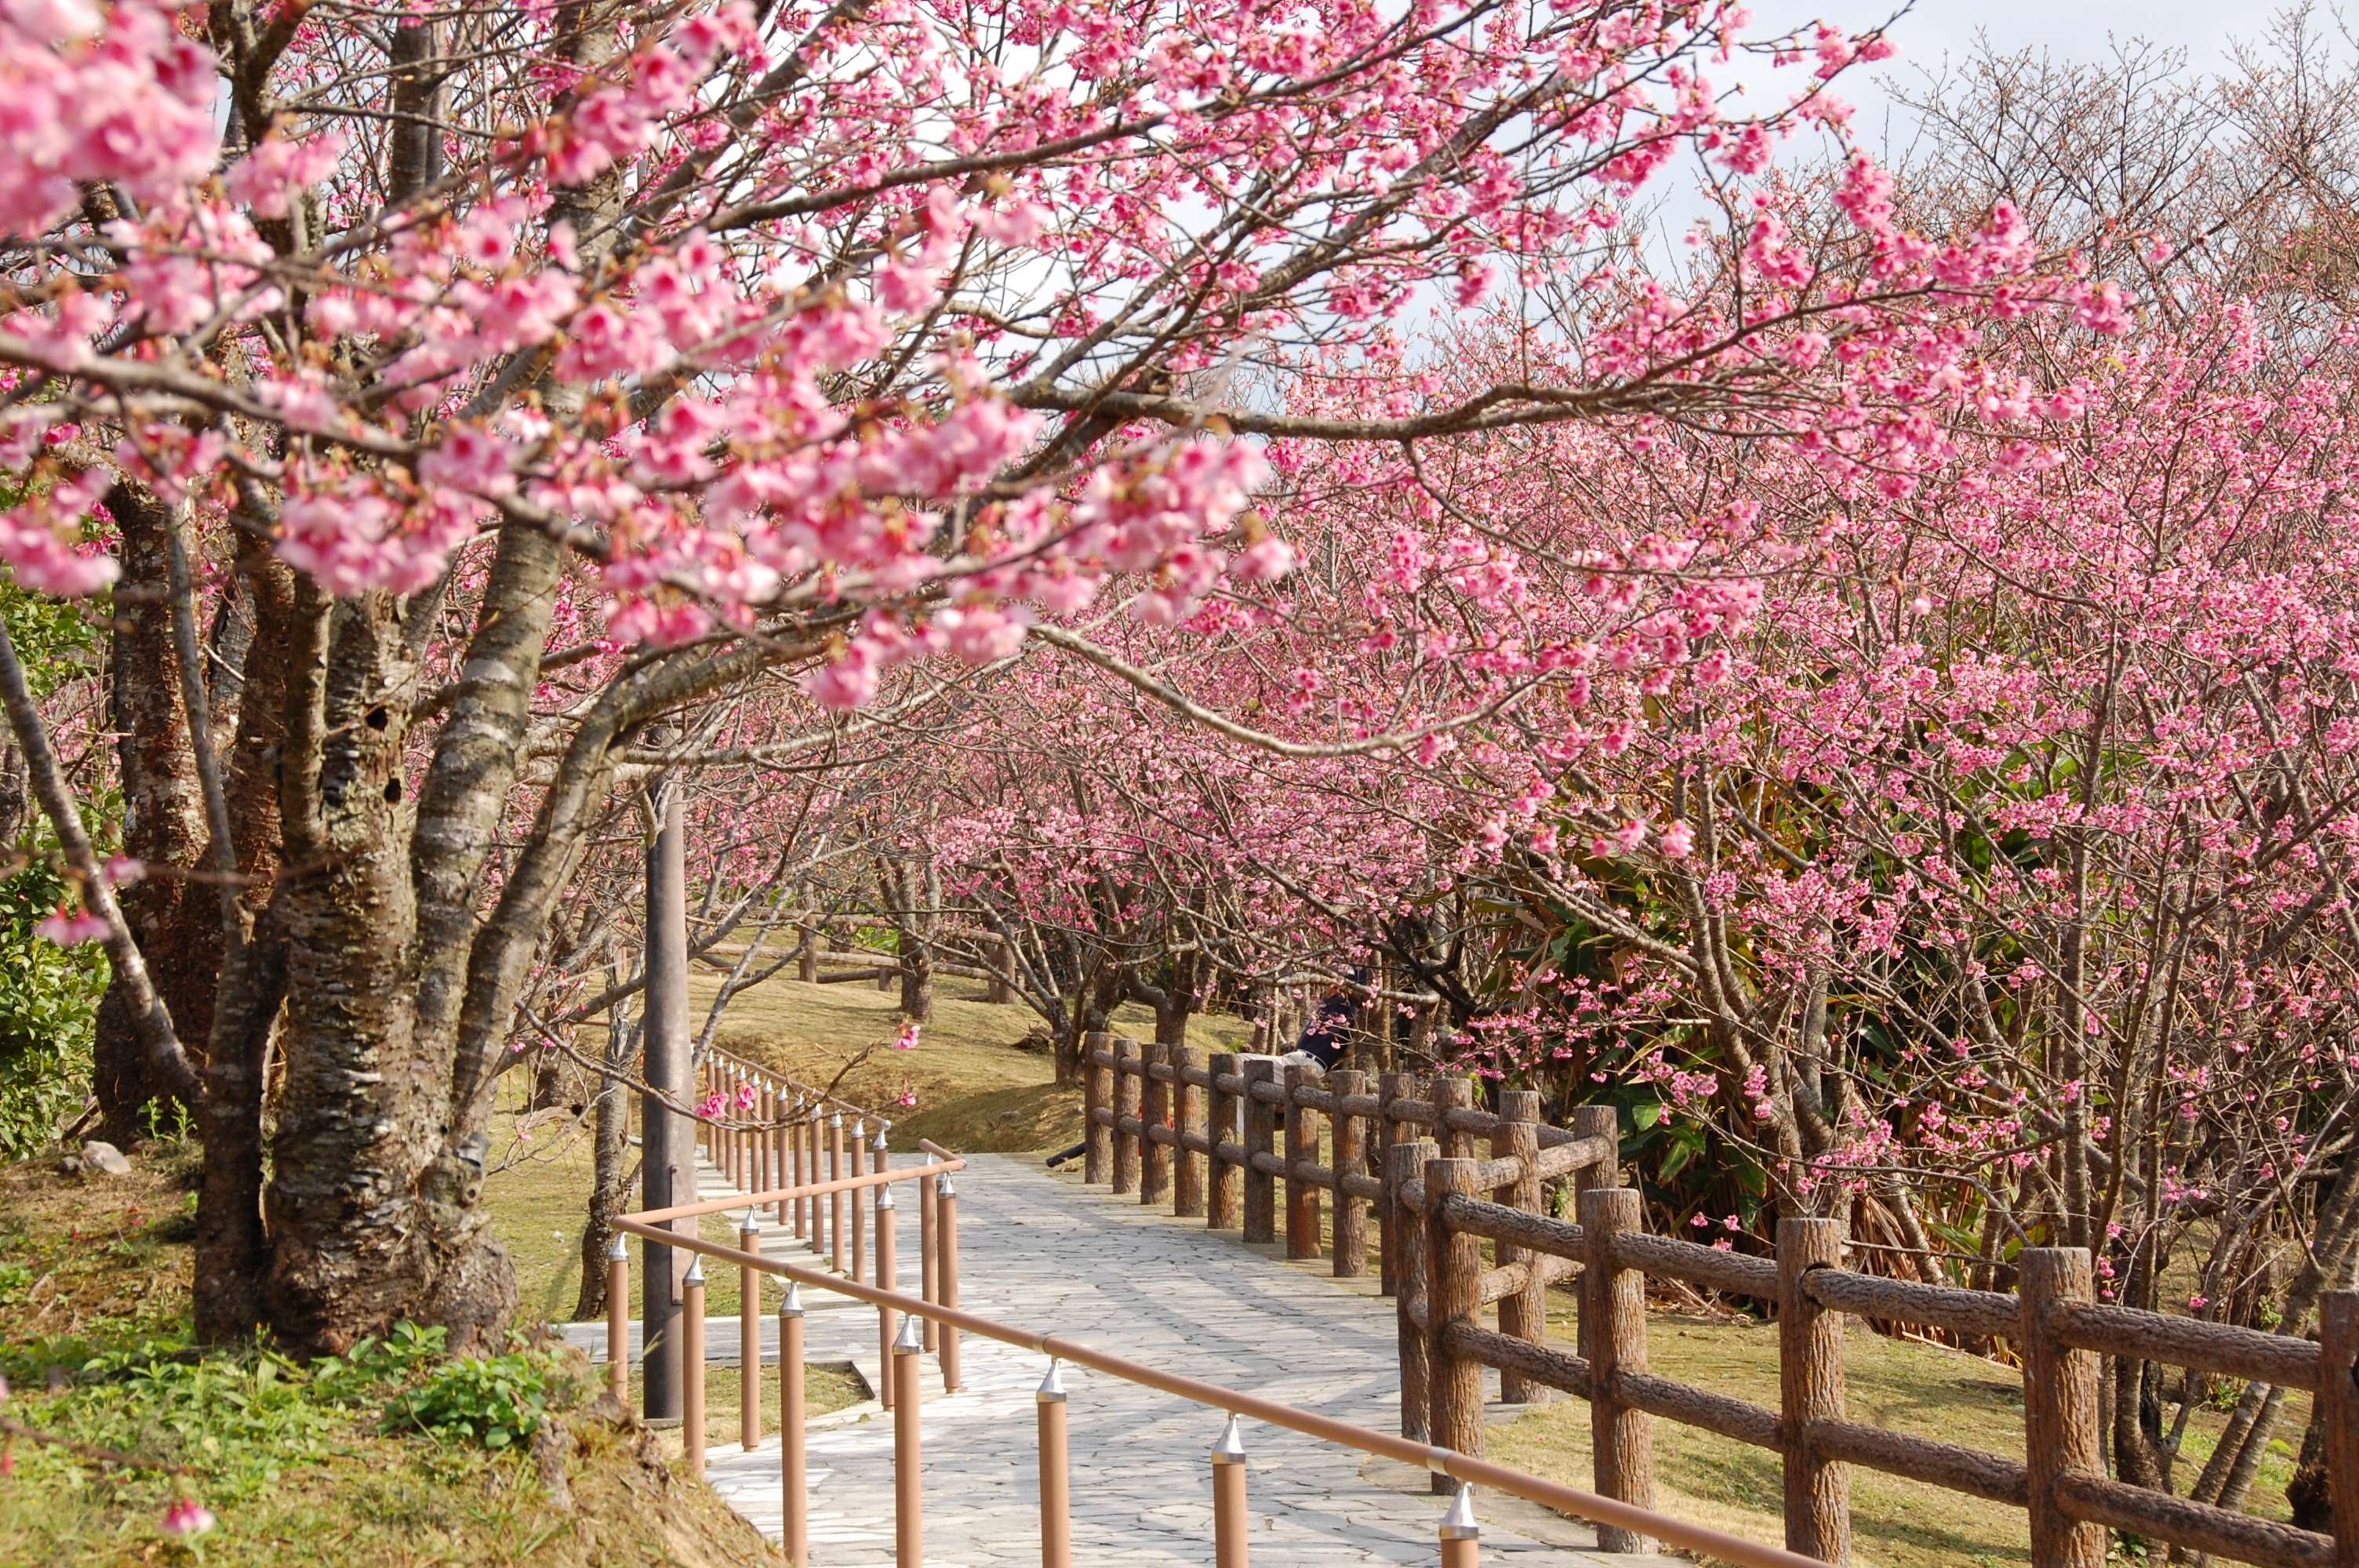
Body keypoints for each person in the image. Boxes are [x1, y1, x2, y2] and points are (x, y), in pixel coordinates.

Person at [1282, 971, 1366, 1071]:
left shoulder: (1344, 1003)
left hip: (1310, 1062)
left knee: (1259, 1062)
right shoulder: (1327, 1004)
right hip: (1297, 1057)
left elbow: (1363, 979)